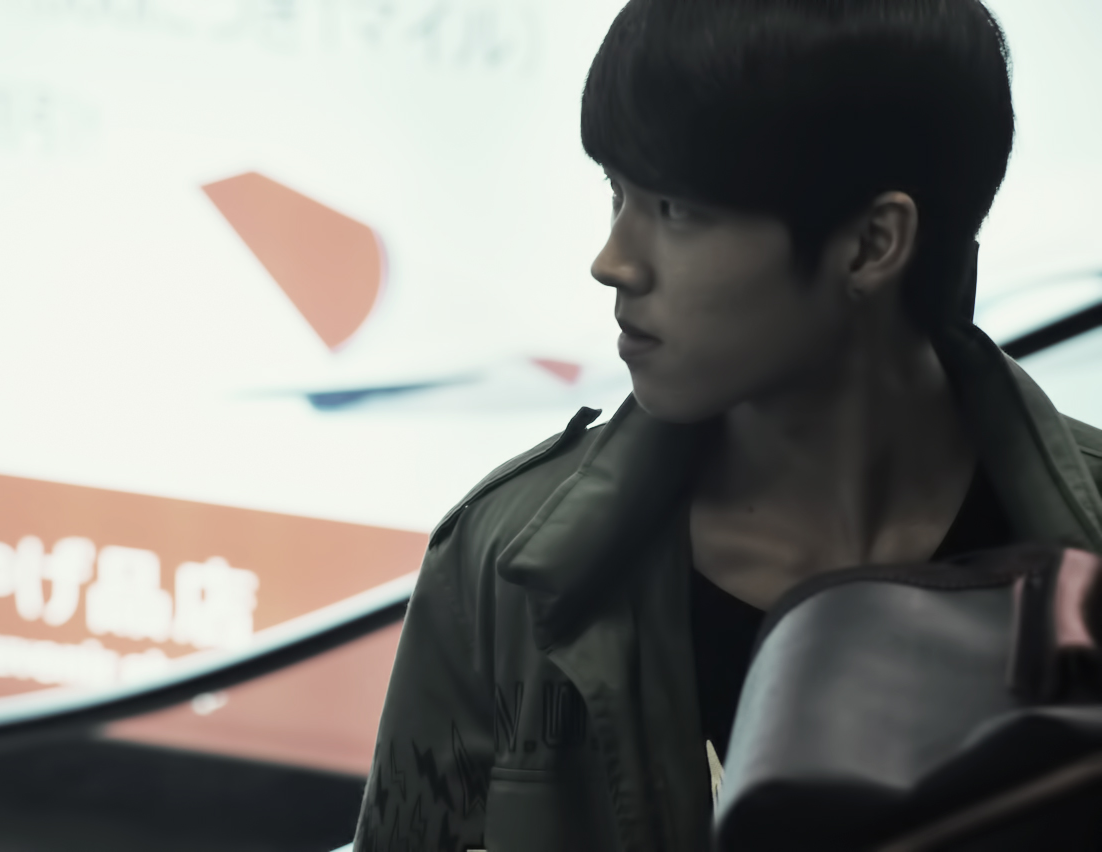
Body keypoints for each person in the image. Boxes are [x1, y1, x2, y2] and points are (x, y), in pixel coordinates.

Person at [353, 1, 1102, 850]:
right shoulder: (504, 566)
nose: (613, 261)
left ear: (871, 244)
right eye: (617, 194)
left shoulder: (1086, 549)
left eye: (676, 209)